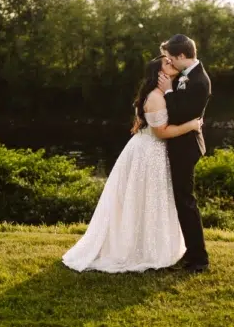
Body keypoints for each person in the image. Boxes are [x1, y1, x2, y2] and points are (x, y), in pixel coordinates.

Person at [61, 54, 203, 273]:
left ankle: (152, 245)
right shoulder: (156, 96)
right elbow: (161, 132)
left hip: (148, 149)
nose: (172, 63)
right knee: (144, 198)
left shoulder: (160, 92)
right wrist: (192, 125)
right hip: (149, 153)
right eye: (167, 63)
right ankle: (138, 250)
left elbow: (144, 122)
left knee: (150, 199)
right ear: (159, 74)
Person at [156, 33, 212, 273]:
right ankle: (188, 251)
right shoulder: (185, 75)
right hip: (179, 144)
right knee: (180, 200)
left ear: (181, 56)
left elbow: (179, 115)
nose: (168, 62)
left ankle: (199, 259)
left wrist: (168, 92)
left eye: (170, 58)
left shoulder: (199, 81)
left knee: (186, 201)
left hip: (186, 147)